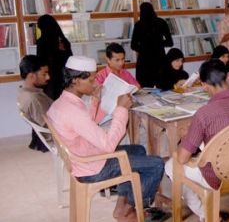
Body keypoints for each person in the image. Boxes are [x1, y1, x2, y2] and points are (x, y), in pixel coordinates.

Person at [47, 56, 165, 222]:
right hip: (93, 166)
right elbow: (109, 145)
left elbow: (90, 123)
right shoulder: (73, 111)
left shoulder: (63, 103)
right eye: (91, 79)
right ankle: (131, 210)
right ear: (75, 81)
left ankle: (122, 205)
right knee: (157, 164)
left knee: (138, 150)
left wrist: (95, 99)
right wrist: (121, 109)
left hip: (83, 158)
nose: (96, 83)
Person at [164, 59, 229, 221]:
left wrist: (185, 137)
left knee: (172, 166)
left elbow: (182, 158)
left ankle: (207, 214)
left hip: (217, 176)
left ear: (203, 85)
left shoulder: (204, 114)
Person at [131, 2, 173, 88]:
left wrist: (144, 48)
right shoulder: (161, 22)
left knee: (145, 91)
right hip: (160, 59)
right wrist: (158, 44)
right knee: (163, 88)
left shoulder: (138, 25)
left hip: (144, 61)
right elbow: (170, 42)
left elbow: (133, 45)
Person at [17, 55, 53, 152]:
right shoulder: (34, 99)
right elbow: (50, 126)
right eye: (44, 74)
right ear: (31, 76)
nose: (48, 77)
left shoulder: (24, 92)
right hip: (59, 137)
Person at [36, 14, 72, 100]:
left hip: (49, 78)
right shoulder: (63, 40)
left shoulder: (42, 41)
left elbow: (40, 61)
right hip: (64, 78)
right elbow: (69, 59)